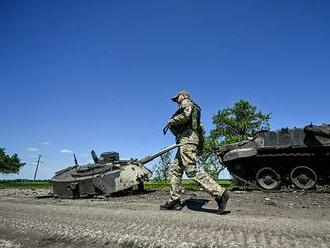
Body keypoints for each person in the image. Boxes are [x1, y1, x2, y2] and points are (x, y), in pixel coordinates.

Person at [160, 91, 229, 214]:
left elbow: (185, 116)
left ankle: (220, 193)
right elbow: (201, 131)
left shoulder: (187, 104)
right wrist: (200, 146)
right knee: (174, 169)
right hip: (187, 141)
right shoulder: (195, 117)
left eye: (178, 98)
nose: (177, 100)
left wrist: (171, 121)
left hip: (186, 140)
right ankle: (174, 201)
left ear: (184, 96)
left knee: (191, 170)